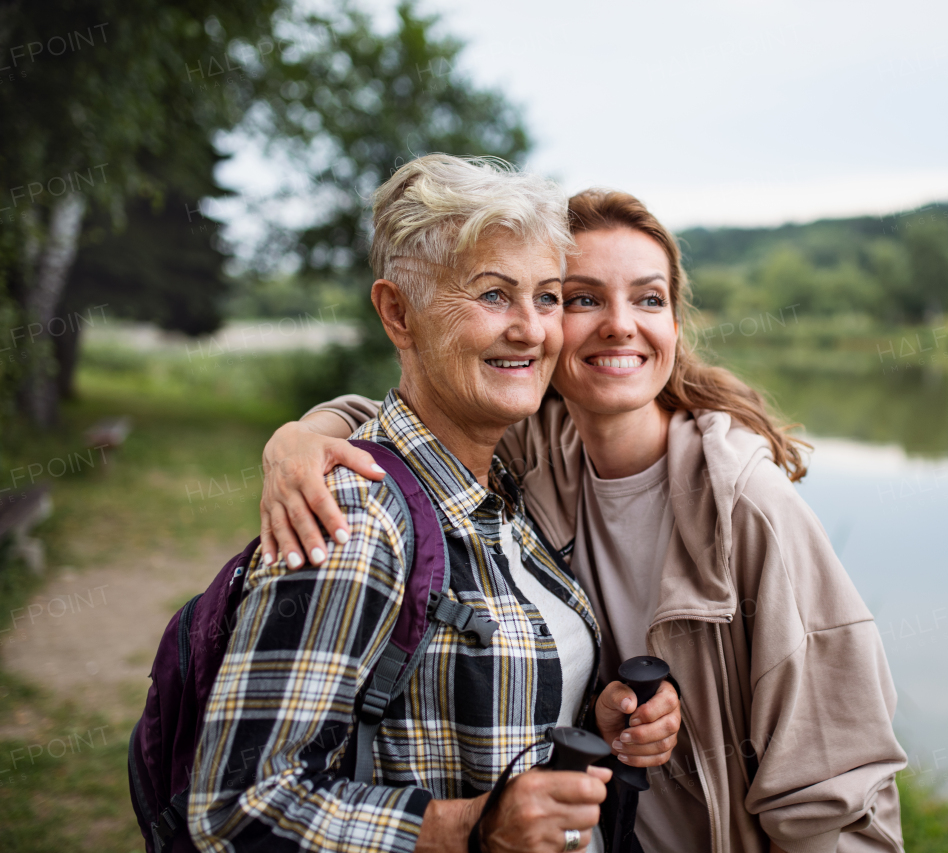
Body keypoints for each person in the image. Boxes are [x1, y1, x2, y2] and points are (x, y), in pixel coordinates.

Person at [260, 189, 908, 853]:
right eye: (582, 298)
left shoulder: (748, 507)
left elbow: (835, 792)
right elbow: (409, 413)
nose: (621, 324)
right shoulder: (534, 452)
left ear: (675, 327)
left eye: (649, 299)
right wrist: (304, 435)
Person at [189, 156, 681, 853]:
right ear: (398, 313)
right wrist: (471, 828)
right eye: (493, 295)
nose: (532, 330)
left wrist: (596, 722)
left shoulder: (499, 489)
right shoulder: (356, 520)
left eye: (545, 297)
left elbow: (460, 716)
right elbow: (238, 809)